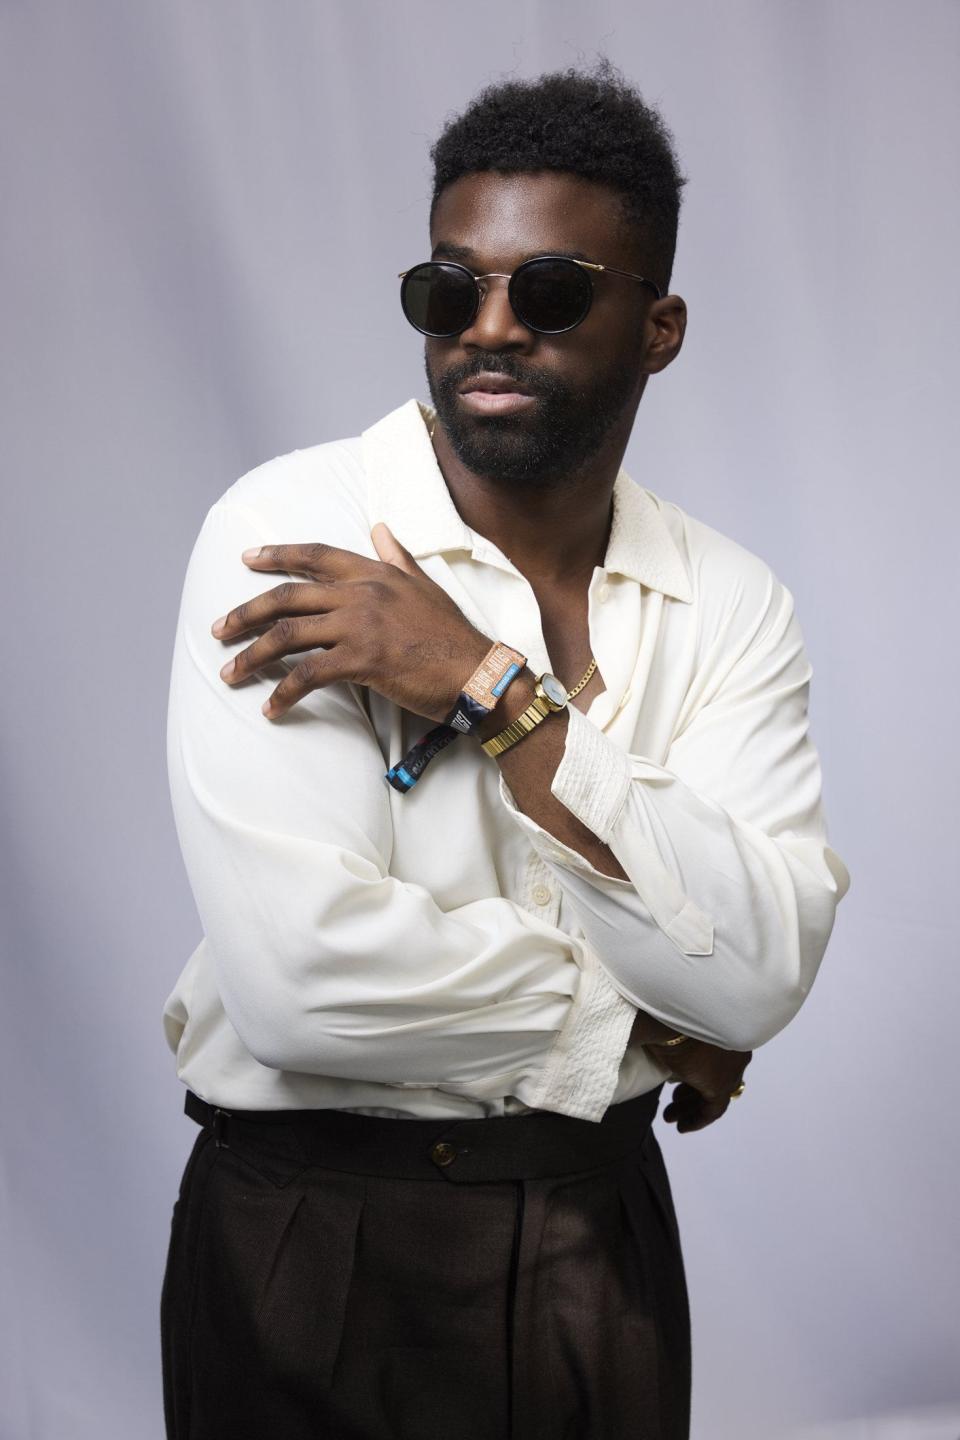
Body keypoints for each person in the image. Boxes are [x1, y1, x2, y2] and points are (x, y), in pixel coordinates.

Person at [160, 60, 850, 1440]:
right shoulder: (298, 534)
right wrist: (652, 1024)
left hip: (595, 1228)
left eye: (547, 293)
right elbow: (302, 980)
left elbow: (764, 970)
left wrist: (492, 689)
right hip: (308, 1235)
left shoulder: (732, 605)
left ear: (658, 328)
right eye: (447, 288)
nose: (488, 329)